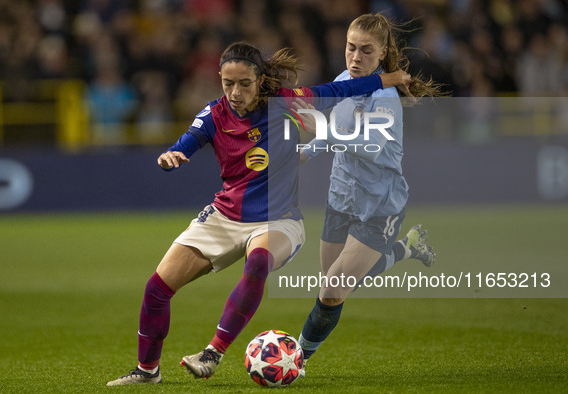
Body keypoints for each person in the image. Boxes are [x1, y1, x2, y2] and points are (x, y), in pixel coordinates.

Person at [106, 41, 412, 386]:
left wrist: (392, 77)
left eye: (244, 84)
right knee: (156, 288)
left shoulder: (285, 102)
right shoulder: (213, 114)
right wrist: (171, 155)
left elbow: (342, 88)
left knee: (258, 263)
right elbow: (186, 141)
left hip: (278, 220)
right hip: (224, 216)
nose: (235, 93)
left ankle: (213, 353)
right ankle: (147, 371)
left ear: (260, 80)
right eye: (227, 84)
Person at [296, 13, 443, 373]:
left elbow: (372, 147)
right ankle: (406, 248)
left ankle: (295, 360)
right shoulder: (344, 81)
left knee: (331, 292)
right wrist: (304, 152)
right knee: (332, 281)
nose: (355, 57)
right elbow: (329, 128)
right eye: (350, 48)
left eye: (365, 50)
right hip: (341, 199)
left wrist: (325, 137)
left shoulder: (386, 98)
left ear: (381, 55)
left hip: (379, 205)